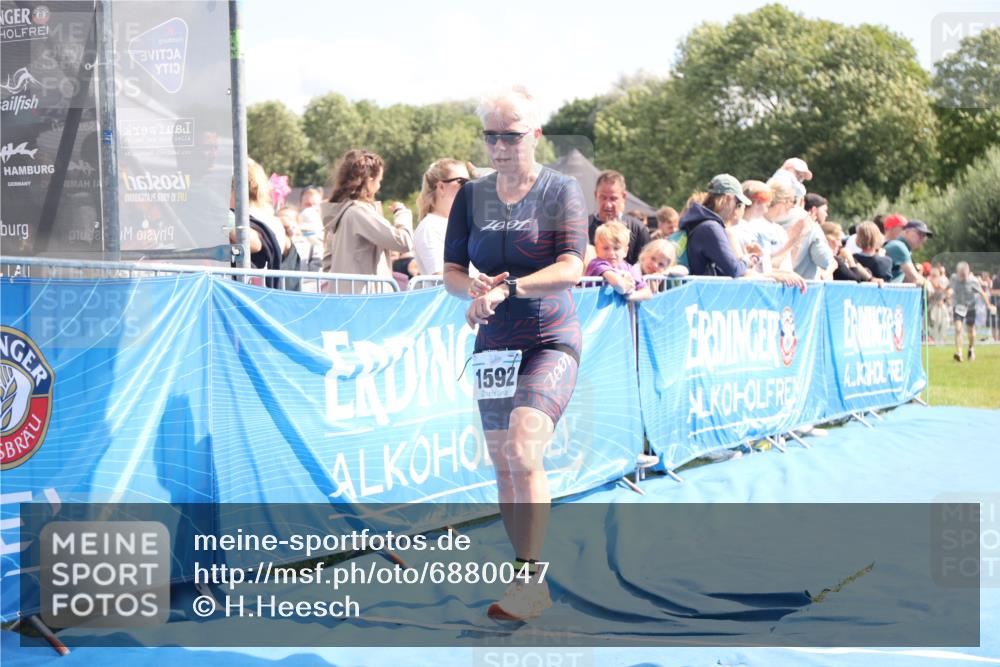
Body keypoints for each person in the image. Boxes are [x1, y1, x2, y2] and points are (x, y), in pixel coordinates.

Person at [442, 86, 588, 621]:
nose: (500, 146)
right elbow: (452, 273)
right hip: (494, 347)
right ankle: (525, 573)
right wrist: (473, 292)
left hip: (550, 338)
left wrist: (511, 289)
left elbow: (573, 265)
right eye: (492, 136)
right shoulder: (471, 196)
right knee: (506, 465)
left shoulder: (561, 191)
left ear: (536, 135)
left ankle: (530, 579)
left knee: (525, 451)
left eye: (512, 135)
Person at [321, 149, 414, 294]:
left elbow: (328, 262)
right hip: (365, 299)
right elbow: (403, 241)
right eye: (379, 181)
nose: (379, 186)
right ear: (370, 180)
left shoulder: (339, 213)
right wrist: (402, 214)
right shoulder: (359, 212)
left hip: (347, 296)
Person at [229, 158, 284, 287]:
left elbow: (253, 244)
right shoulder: (275, 221)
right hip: (268, 290)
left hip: (250, 289)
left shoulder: (234, 217)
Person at [414, 158, 471, 275]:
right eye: (462, 182)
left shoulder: (462, 224)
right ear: (441, 187)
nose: (468, 187)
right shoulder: (430, 227)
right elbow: (442, 277)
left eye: (470, 182)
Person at [587, 170, 650, 265]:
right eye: (603, 198)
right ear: (596, 195)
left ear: (624, 197)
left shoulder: (638, 229)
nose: (608, 204)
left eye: (613, 198)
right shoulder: (583, 226)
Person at [586, 221, 652, 301]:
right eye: (606, 248)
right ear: (596, 249)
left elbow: (647, 293)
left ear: (625, 251)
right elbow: (619, 286)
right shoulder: (596, 264)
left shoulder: (627, 267)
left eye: (616, 248)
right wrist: (626, 284)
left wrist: (630, 297)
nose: (611, 253)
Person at [950, 261, 995, 362]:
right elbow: (949, 287)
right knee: (958, 329)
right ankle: (959, 353)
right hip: (958, 307)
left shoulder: (973, 281)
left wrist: (988, 305)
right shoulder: (953, 278)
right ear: (957, 273)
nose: (962, 278)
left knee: (971, 331)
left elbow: (982, 293)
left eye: (964, 275)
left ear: (968, 272)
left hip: (970, 308)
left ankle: (971, 348)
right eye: (960, 275)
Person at [884, 219, 932, 285]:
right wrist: (928, 284)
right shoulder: (899, 247)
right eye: (919, 233)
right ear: (907, 231)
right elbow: (915, 278)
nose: (922, 238)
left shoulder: (902, 247)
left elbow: (908, 279)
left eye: (924, 236)